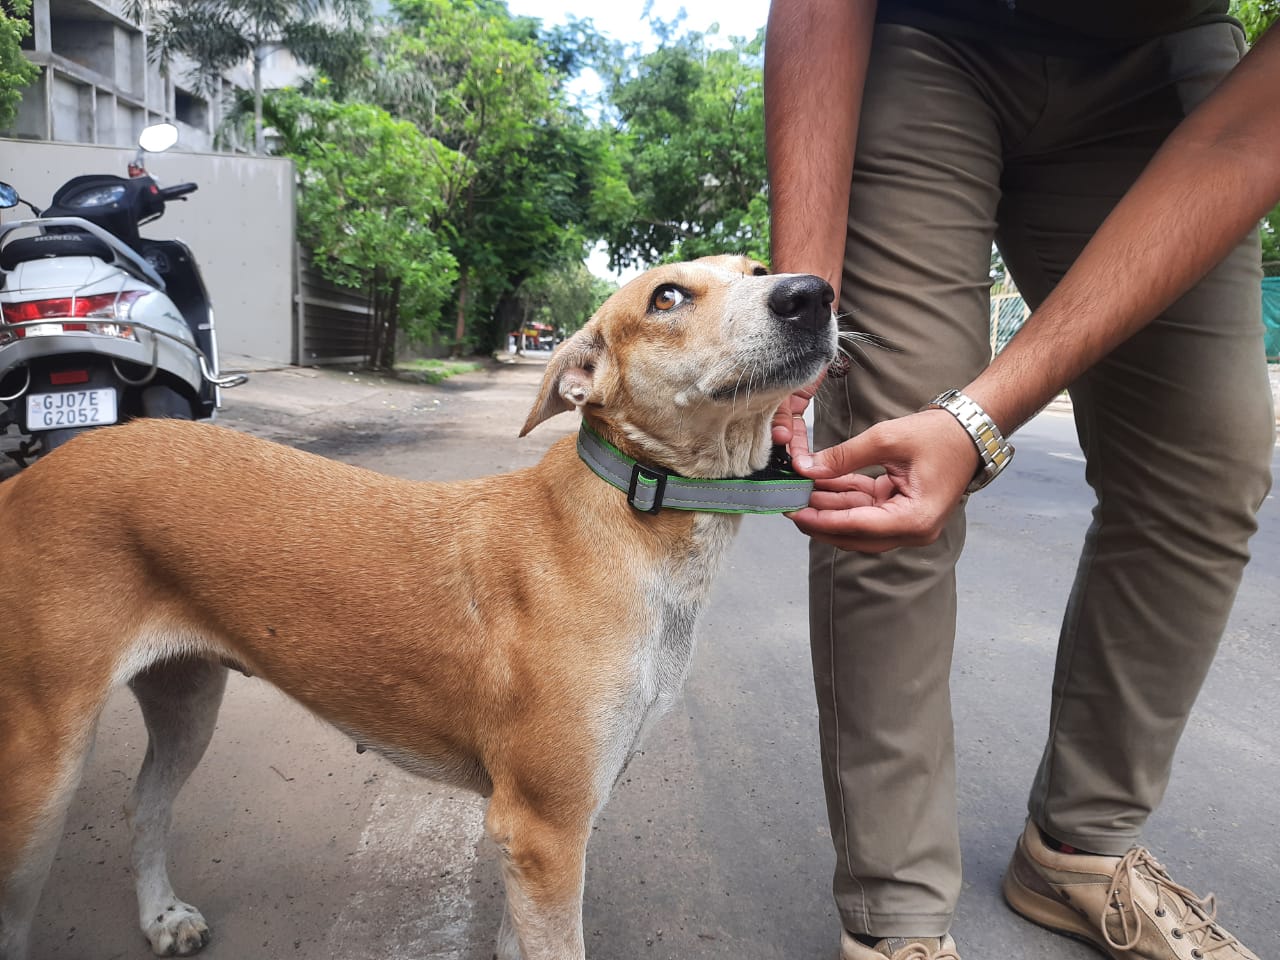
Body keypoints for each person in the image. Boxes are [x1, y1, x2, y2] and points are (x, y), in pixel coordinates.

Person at [764, 2, 1280, 959]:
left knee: (1208, 456)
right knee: (881, 464)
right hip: (923, 35)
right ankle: (897, 920)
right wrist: (805, 319)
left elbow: (1252, 132)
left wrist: (980, 418)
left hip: (1167, 65)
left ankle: (1077, 850)